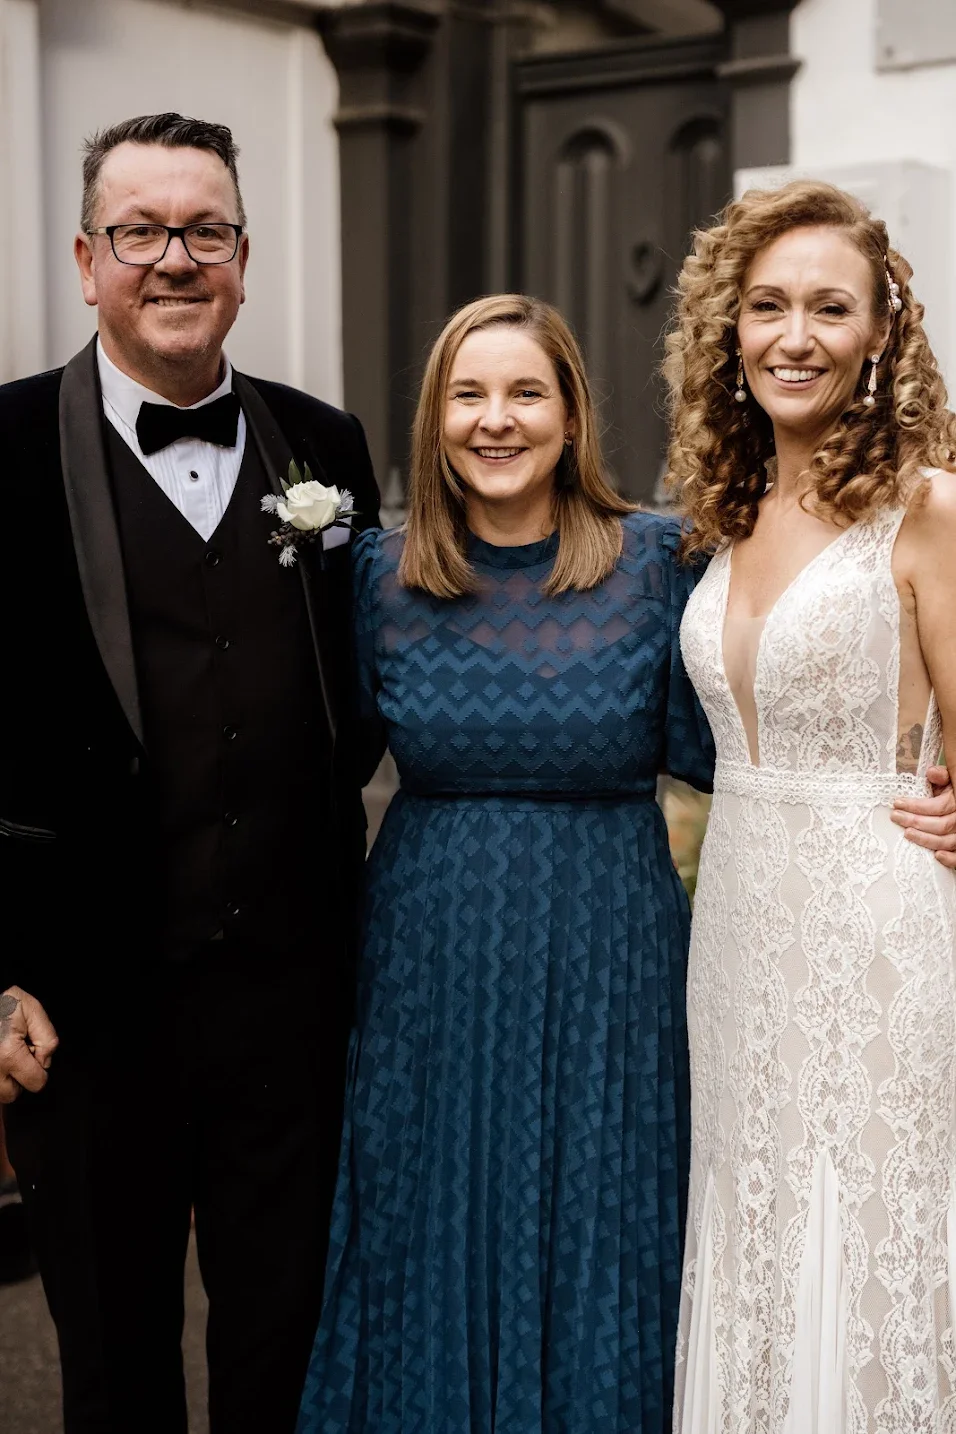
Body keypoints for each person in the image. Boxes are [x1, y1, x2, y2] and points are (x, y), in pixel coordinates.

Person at [0, 113, 378, 1433]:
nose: (174, 258)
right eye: (141, 230)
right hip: (85, 1007)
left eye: (202, 229)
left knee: (288, 1342)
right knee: (112, 1363)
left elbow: (370, 687)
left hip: (290, 1000)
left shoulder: (325, 446)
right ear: (87, 257)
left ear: (244, 255)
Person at [296, 294, 715, 1432]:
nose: (496, 419)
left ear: (571, 415)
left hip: (608, 960)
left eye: (525, 392)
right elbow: (304, 772)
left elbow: (739, 749)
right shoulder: (378, 576)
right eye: (466, 395)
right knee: (433, 1218)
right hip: (433, 962)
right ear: (434, 421)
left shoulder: (657, 561)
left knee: (605, 1217)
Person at [666, 179, 956, 1430]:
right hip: (735, 932)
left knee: (873, 1216)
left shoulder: (928, 508)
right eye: (767, 306)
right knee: (758, 1215)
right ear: (728, 331)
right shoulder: (726, 515)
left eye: (828, 308)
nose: (794, 336)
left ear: (879, 330)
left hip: (882, 928)